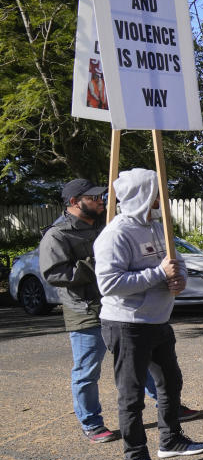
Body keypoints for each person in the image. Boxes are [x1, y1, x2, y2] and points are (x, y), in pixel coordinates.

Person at [95, 169, 203, 460]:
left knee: (171, 382)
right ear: (142, 195)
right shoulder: (115, 234)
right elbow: (109, 284)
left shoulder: (159, 227)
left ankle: (170, 440)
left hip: (159, 321)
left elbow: (176, 261)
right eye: (157, 191)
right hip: (127, 324)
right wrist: (159, 274)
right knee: (130, 395)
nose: (162, 198)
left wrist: (179, 279)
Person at [38, 179, 116, 443]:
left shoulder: (106, 227)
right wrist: (98, 263)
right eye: (93, 198)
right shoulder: (57, 235)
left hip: (116, 305)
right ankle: (91, 424)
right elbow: (54, 273)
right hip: (84, 311)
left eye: (100, 196)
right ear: (74, 202)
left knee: (140, 358)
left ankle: (166, 405)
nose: (100, 201)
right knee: (87, 370)